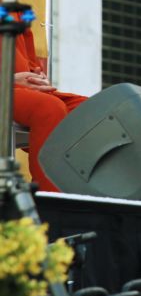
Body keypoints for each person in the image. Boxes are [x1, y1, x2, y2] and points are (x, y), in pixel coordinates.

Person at [12, 25, 86, 192]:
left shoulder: (15, 9)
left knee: (91, 110)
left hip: (23, 89)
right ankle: (49, 203)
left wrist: (37, 77)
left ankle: (91, 198)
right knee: (49, 108)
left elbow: (30, 62)